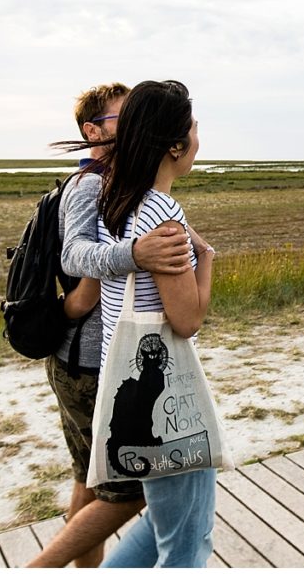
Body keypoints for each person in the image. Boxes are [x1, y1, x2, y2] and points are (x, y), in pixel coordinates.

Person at [29, 83, 194, 569]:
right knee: (126, 492)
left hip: (94, 356)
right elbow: (74, 254)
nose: (136, 125)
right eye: (124, 118)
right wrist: (135, 254)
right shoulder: (87, 184)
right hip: (91, 362)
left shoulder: (121, 180)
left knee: (90, 478)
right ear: (92, 130)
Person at [94, 79, 217, 568]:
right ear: (174, 145)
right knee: (186, 547)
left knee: (161, 528)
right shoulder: (162, 213)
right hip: (164, 404)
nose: (198, 140)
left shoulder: (118, 201)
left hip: (126, 391)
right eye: (194, 129)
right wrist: (206, 260)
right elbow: (186, 320)